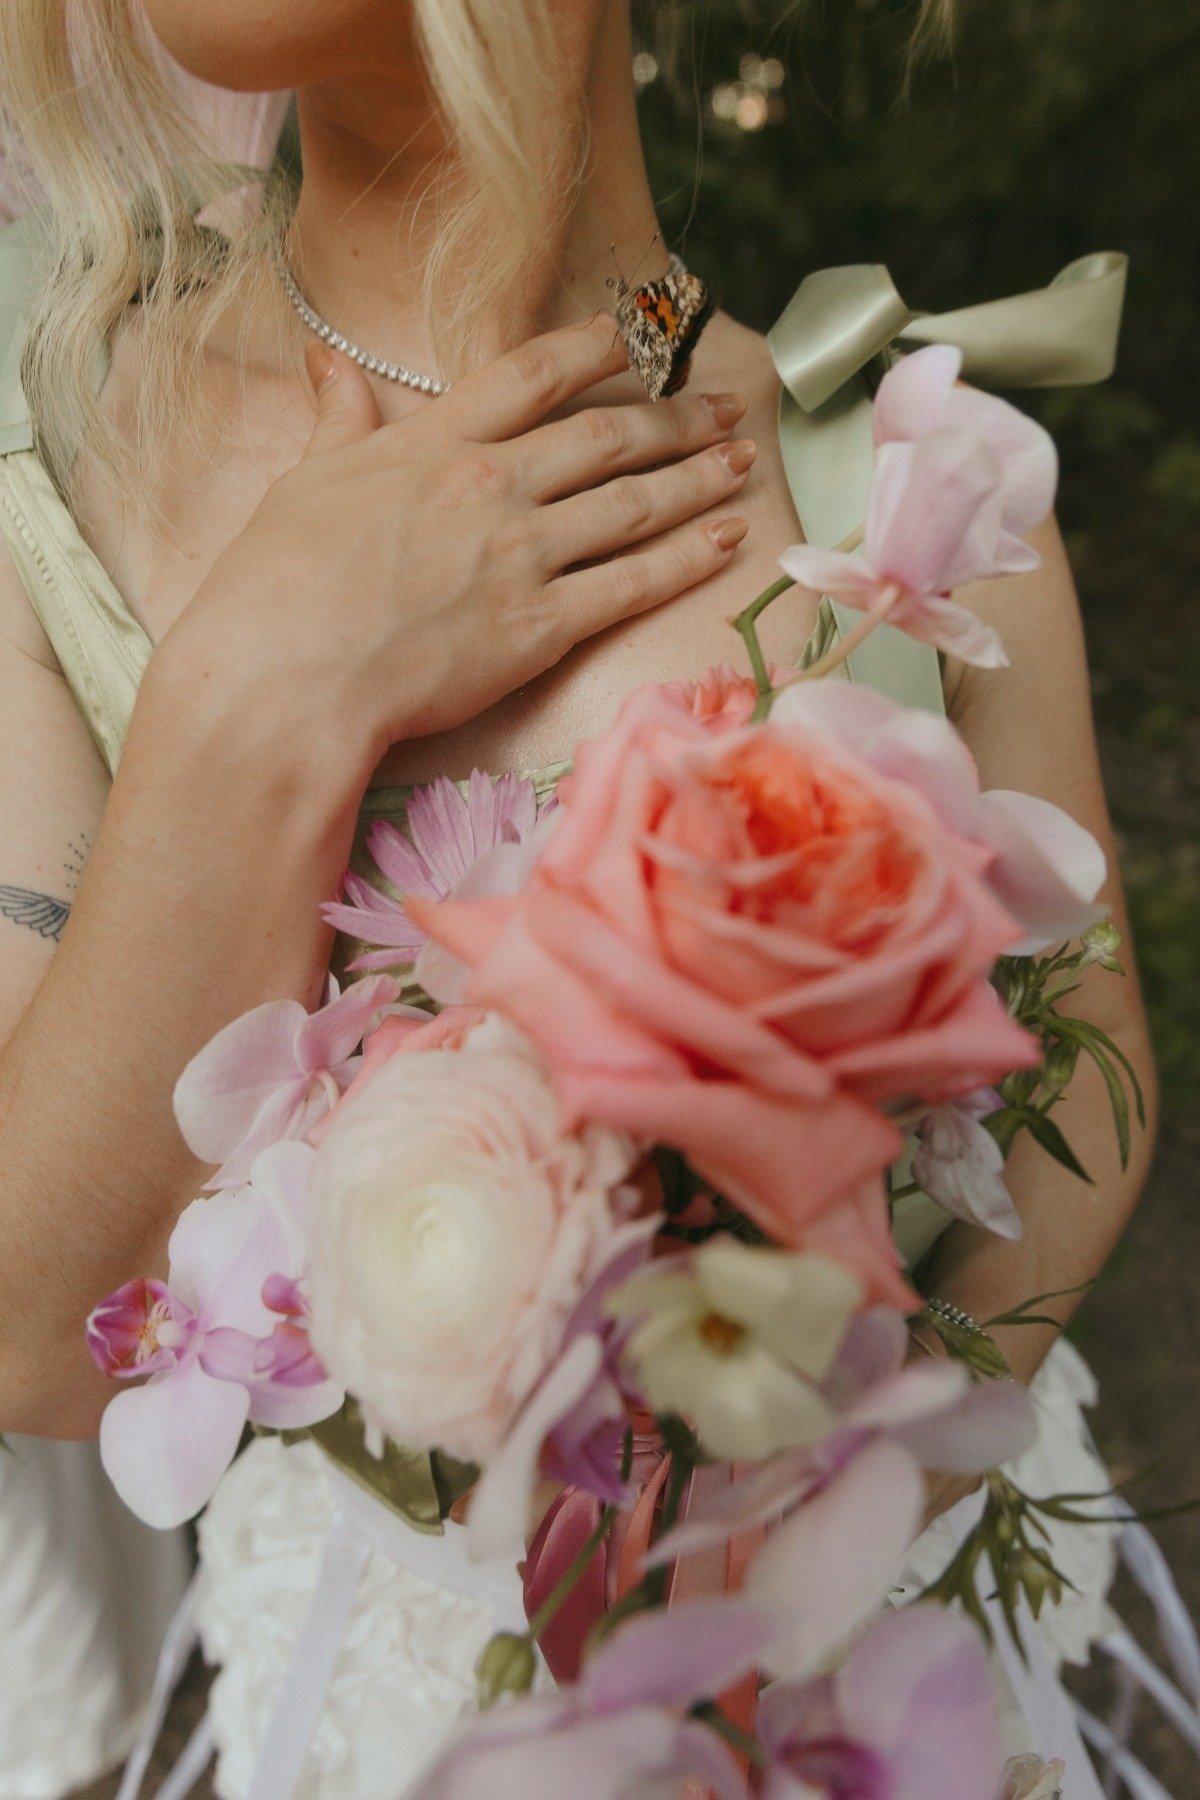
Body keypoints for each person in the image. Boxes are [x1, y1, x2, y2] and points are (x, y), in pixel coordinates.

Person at [0, 1, 1158, 1795]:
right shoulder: (51, 448)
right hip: (376, 1699)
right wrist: (260, 690)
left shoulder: (896, 470)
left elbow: (1090, 1085)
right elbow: (31, 1330)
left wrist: (789, 1543)